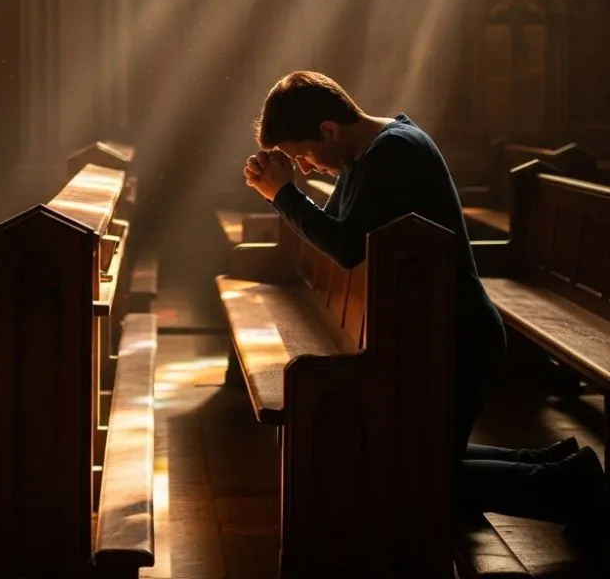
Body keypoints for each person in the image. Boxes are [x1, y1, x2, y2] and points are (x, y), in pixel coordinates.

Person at [243, 71, 607, 536]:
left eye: (304, 154)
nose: (307, 167)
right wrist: (285, 188)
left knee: (412, 476)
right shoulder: (366, 157)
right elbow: (334, 226)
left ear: (329, 130)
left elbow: (345, 246)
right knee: (416, 457)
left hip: (456, 337)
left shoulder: (395, 152)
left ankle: (575, 490)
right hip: (435, 331)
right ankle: (559, 469)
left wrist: (284, 194)